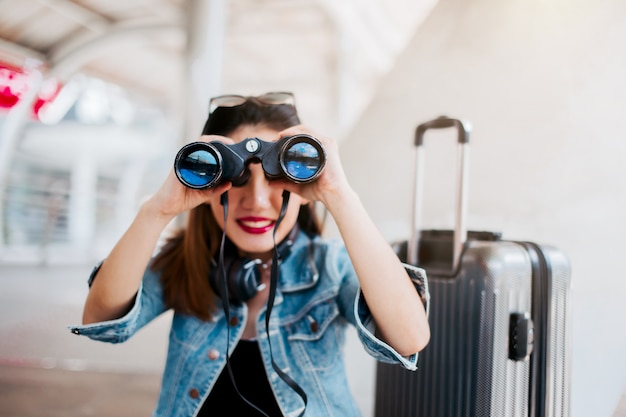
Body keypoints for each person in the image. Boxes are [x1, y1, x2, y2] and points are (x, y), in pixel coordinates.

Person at [70, 92, 430, 417]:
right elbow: (101, 321)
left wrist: (340, 195)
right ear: (209, 183)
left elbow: (409, 338)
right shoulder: (187, 261)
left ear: (303, 187)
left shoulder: (329, 267)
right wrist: (157, 211)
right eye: (238, 178)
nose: (256, 201)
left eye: (276, 177)